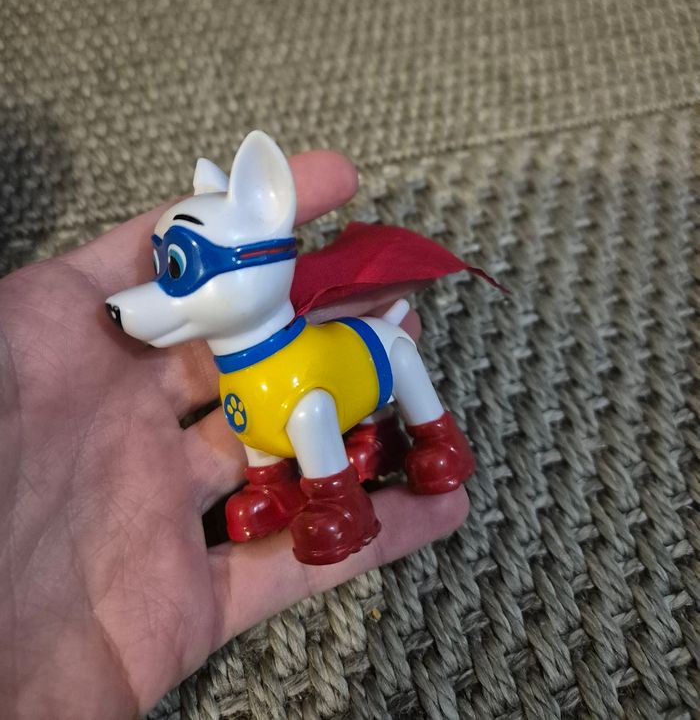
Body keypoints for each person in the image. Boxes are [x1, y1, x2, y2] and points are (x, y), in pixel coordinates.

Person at [0, 148, 469, 719]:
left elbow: (309, 416)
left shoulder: (300, 369)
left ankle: (414, 455)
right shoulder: (237, 376)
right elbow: (254, 424)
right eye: (165, 269)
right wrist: (267, 475)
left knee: (359, 381)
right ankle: (277, 486)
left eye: (180, 268)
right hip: (259, 381)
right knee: (252, 418)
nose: (154, 292)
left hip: (375, 351)